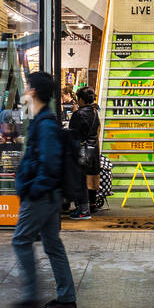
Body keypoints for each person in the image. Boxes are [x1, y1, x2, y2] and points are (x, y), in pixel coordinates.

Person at [6, 71, 77, 308]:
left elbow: (49, 164)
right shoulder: (43, 121)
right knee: (52, 244)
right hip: (47, 195)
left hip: (41, 196)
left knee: (21, 240)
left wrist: (32, 191)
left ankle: (30, 299)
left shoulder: (45, 125)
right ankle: (66, 299)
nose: (24, 92)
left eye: (27, 88)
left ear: (33, 92)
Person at [65, 86, 100, 220]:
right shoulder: (95, 111)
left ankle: (83, 210)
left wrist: (74, 113)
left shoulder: (79, 114)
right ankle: (89, 206)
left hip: (81, 151)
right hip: (93, 150)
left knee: (80, 180)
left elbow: (73, 132)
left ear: (81, 99)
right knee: (87, 180)